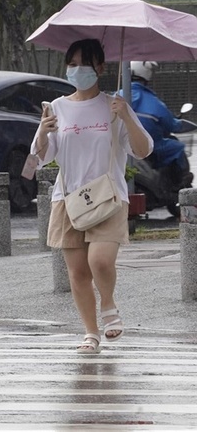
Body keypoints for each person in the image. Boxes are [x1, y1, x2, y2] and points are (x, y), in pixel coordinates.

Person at [30, 39, 153, 354]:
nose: (77, 70)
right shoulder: (56, 107)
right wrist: (43, 132)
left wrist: (125, 116)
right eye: (71, 63)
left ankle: (109, 304)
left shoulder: (114, 106)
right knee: (78, 271)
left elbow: (143, 149)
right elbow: (38, 160)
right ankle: (91, 332)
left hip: (108, 196)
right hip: (68, 197)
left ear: (101, 67)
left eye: (84, 64)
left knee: (99, 260)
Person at [126, 61, 192, 187]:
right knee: (177, 147)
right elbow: (172, 125)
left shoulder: (117, 95)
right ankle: (181, 184)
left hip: (122, 147)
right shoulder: (153, 102)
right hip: (151, 147)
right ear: (147, 74)